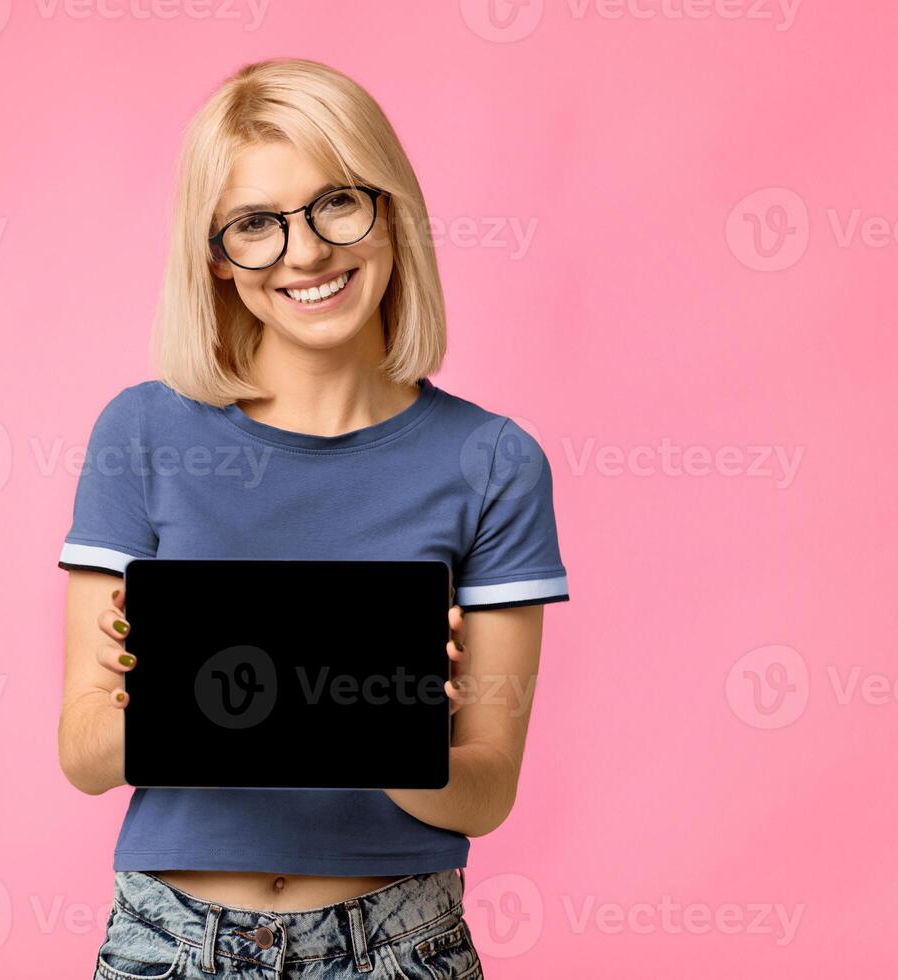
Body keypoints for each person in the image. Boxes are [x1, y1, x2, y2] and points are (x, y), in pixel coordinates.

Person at [57, 57, 569, 979]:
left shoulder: (494, 462)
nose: (305, 254)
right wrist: (335, 681)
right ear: (214, 257)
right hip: (168, 943)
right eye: (255, 224)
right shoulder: (142, 432)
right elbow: (88, 751)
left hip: (400, 944)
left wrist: (384, 721)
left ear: (391, 210)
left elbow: (486, 790)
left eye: (337, 202)